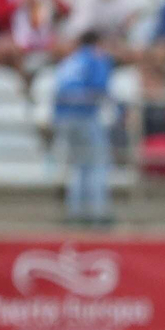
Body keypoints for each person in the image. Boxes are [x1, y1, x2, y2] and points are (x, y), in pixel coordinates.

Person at [54, 30, 115, 225]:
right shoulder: (95, 58)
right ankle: (96, 213)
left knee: (78, 166)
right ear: (97, 43)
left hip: (63, 117)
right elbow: (100, 88)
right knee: (97, 164)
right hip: (85, 115)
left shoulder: (70, 60)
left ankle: (75, 212)